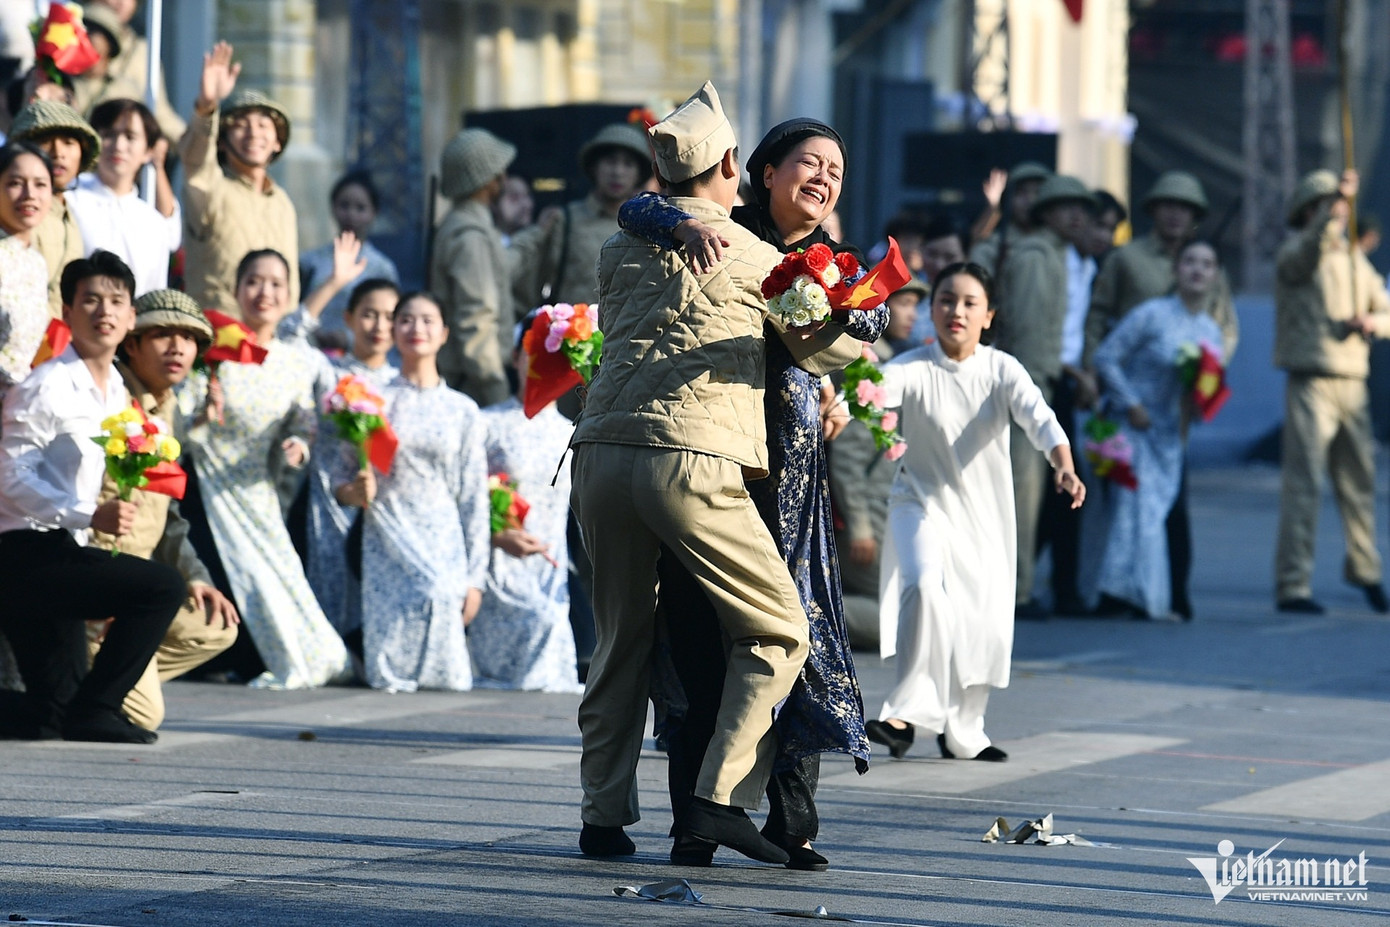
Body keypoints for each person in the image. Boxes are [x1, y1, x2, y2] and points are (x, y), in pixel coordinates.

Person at [572, 82, 862, 866]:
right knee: (777, 628)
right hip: (691, 463)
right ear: (738, 163)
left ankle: (603, 818)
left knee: (620, 641)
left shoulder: (620, 243)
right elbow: (827, 350)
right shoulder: (758, 255)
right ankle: (719, 796)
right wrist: (857, 320)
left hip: (599, 456)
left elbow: (638, 219)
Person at [865, 262, 1083, 762]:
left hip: (984, 517)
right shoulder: (912, 366)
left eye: (969, 303)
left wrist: (1064, 466)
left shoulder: (1002, 369)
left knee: (979, 622)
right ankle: (906, 714)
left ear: (989, 316)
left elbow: (1040, 419)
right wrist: (848, 396)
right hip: (917, 502)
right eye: (945, 300)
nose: (955, 311)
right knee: (923, 586)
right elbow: (874, 394)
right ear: (931, 310)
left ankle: (963, 730)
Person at [0, 250, 185, 743]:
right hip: (23, 555)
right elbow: (9, 478)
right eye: (89, 300)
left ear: (129, 318)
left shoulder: (116, 395)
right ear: (66, 310)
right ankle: (99, 708)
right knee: (162, 587)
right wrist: (89, 513)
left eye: (115, 301)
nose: (103, 311)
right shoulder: (46, 387)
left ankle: (82, 712)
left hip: (63, 553)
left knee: (48, 716)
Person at [178, 249, 349, 689]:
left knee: (279, 581)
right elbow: (180, 415)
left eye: (276, 284)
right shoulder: (214, 347)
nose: (264, 292)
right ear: (236, 290)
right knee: (229, 566)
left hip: (261, 489)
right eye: (254, 281)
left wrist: (299, 444)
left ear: (289, 293)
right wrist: (200, 408)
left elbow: (305, 420)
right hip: (209, 484)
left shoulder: (297, 359)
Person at [1082, 172, 1240, 619]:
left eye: (1184, 207)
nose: (1175, 213)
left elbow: (1223, 334)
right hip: (1126, 413)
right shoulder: (1129, 263)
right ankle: (1110, 593)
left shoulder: (1208, 314)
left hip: (1173, 424)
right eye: (1167, 204)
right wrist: (1099, 384)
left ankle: (1163, 594)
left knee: (1163, 509)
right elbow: (1101, 323)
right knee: (1121, 505)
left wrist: (1206, 381)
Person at [85, 288, 240, 729]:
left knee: (216, 624)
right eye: (162, 335)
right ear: (131, 343)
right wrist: (104, 591)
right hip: (96, 590)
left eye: (188, 338)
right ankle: (86, 690)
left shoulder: (164, 412)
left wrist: (195, 577)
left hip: (141, 592)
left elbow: (169, 517)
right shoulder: (107, 401)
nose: (177, 347)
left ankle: (106, 674)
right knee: (147, 716)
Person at [332, 292, 489, 692]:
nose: (415, 329)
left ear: (444, 334)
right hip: (387, 533)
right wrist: (355, 491)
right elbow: (341, 481)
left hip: (443, 535)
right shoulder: (370, 400)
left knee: (444, 636)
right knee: (391, 667)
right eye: (406, 320)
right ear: (394, 331)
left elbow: (473, 496)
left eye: (426, 321)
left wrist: (475, 579)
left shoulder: (463, 410)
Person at [1273, 169, 1390, 614]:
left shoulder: (1356, 261)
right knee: (1304, 485)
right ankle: (1292, 583)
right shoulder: (1297, 254)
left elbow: (1387, 309)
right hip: (1312, 378)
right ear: (1309, 212)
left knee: (1359, 482)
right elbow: (1304, 255)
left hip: (1352, 380)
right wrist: (1330, 211)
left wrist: (1372, 324)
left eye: (1338, 206)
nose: (1337, 213)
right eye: (1324, 205)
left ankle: (1366, 570)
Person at [992, 174, 1092, 619]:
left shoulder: (1056, 255)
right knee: (1022, 491)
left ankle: (1021, 588)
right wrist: (1031, 394)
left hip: (1045, 383)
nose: (1076, 215)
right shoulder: (1036, 256)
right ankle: (1015, 593)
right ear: (1045, 213)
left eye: (1081, 208)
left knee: (1034, 491)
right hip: (1030, 386)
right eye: (1064, 206)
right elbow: (1030, 334)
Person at [467, 316, 581, 693]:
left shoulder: (574, 432)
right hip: (497, 565)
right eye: (530, 352)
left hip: (550, 566)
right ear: (515, 357)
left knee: (550, 620)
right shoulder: (486, 423)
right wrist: (498, 534)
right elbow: (466, 496)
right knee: (541, 622)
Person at [303, 275, 400, 637]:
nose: (379, 326)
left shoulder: (401, 383)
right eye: (369, 314)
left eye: (391, 317)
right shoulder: (329, 374)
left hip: (382, 507)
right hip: (328, 507)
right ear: (348, 318)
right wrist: (333, 282)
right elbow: (289, 340)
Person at [181, 42, 298, 317]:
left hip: (272, 341)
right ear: (221, 142)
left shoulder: (282, 202)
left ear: (278, 142)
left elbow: (291, 285)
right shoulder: (211, 188)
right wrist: (207, 106)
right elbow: (195, 162)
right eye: (241, 125)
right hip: (221, 339)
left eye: (262, 125)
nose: (253, 133)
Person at [510, 122, 651, 308]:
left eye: (628, 164)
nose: (618, 172)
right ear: (594, 167)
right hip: (574, 333)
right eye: (610, 161)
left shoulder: (646, 226)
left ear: (639, 174)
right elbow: (531, 287)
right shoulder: (565, 220)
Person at [431, 127, 517, 407]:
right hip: (474, 387)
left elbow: (503, 267)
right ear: (489, 180)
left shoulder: (466, 226)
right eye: (499, 170)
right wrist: (497, 392)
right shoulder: (470, 236)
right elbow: (475, 319)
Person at [66, 98, 179, 296]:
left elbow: (154, 292)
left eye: (130, 137)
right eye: (109, 134)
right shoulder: (70, 199)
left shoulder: (153, 223)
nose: (118, 145)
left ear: (148, 151)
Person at [7, 99, 97, 316]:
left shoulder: (70, 214)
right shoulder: (17, 212)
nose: (58, 153)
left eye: (68, 142)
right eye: (45, 141)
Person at [298, 171, 401, 351]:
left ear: (373, 213)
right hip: (310, 351)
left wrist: (348, 339)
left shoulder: (382, 268)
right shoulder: (310, 261)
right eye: (344, 205)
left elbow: (393, 324)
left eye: (360, 208)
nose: (351, 215)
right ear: (333, 208)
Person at [68, 0, 185, 142]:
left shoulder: (142, 53)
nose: (120, 3)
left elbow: (161, 115)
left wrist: (198, 139)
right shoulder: (62, 39)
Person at [0, 142, 54, 397]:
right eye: (15, 183)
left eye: (40, 184)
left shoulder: (36, 261)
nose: (29, 194)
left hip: (20, 411)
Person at [968, 161, 1051, 274]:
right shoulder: (995, 246)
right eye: (1021, 193)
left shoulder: (1060, 242)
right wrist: (992, 209)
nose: (1030, 200)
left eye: (1037, 192)